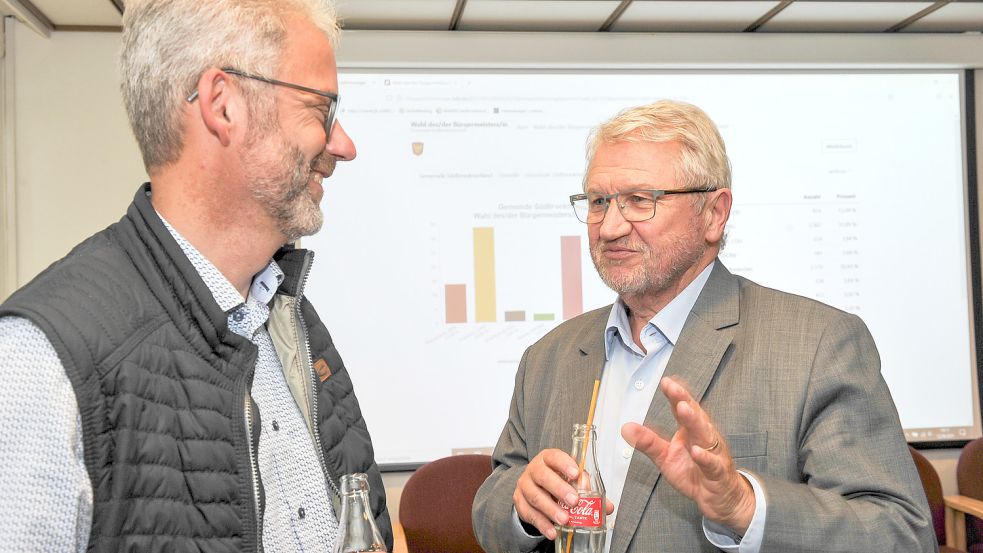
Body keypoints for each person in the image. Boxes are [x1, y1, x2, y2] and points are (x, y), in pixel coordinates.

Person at [0, 0, 393, 551]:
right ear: (223, 105)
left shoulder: (293, 317)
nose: (343, 145)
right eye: (320, 110)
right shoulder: (41, 363)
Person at [471, 100, 936, 553]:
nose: (610, 226)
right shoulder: (548, 357)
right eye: (598, 201)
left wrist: (743, 507)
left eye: (639, 200)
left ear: (714, 213)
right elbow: (494, 501)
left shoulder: (818, 346)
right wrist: (520, 506)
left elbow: (899, 535)